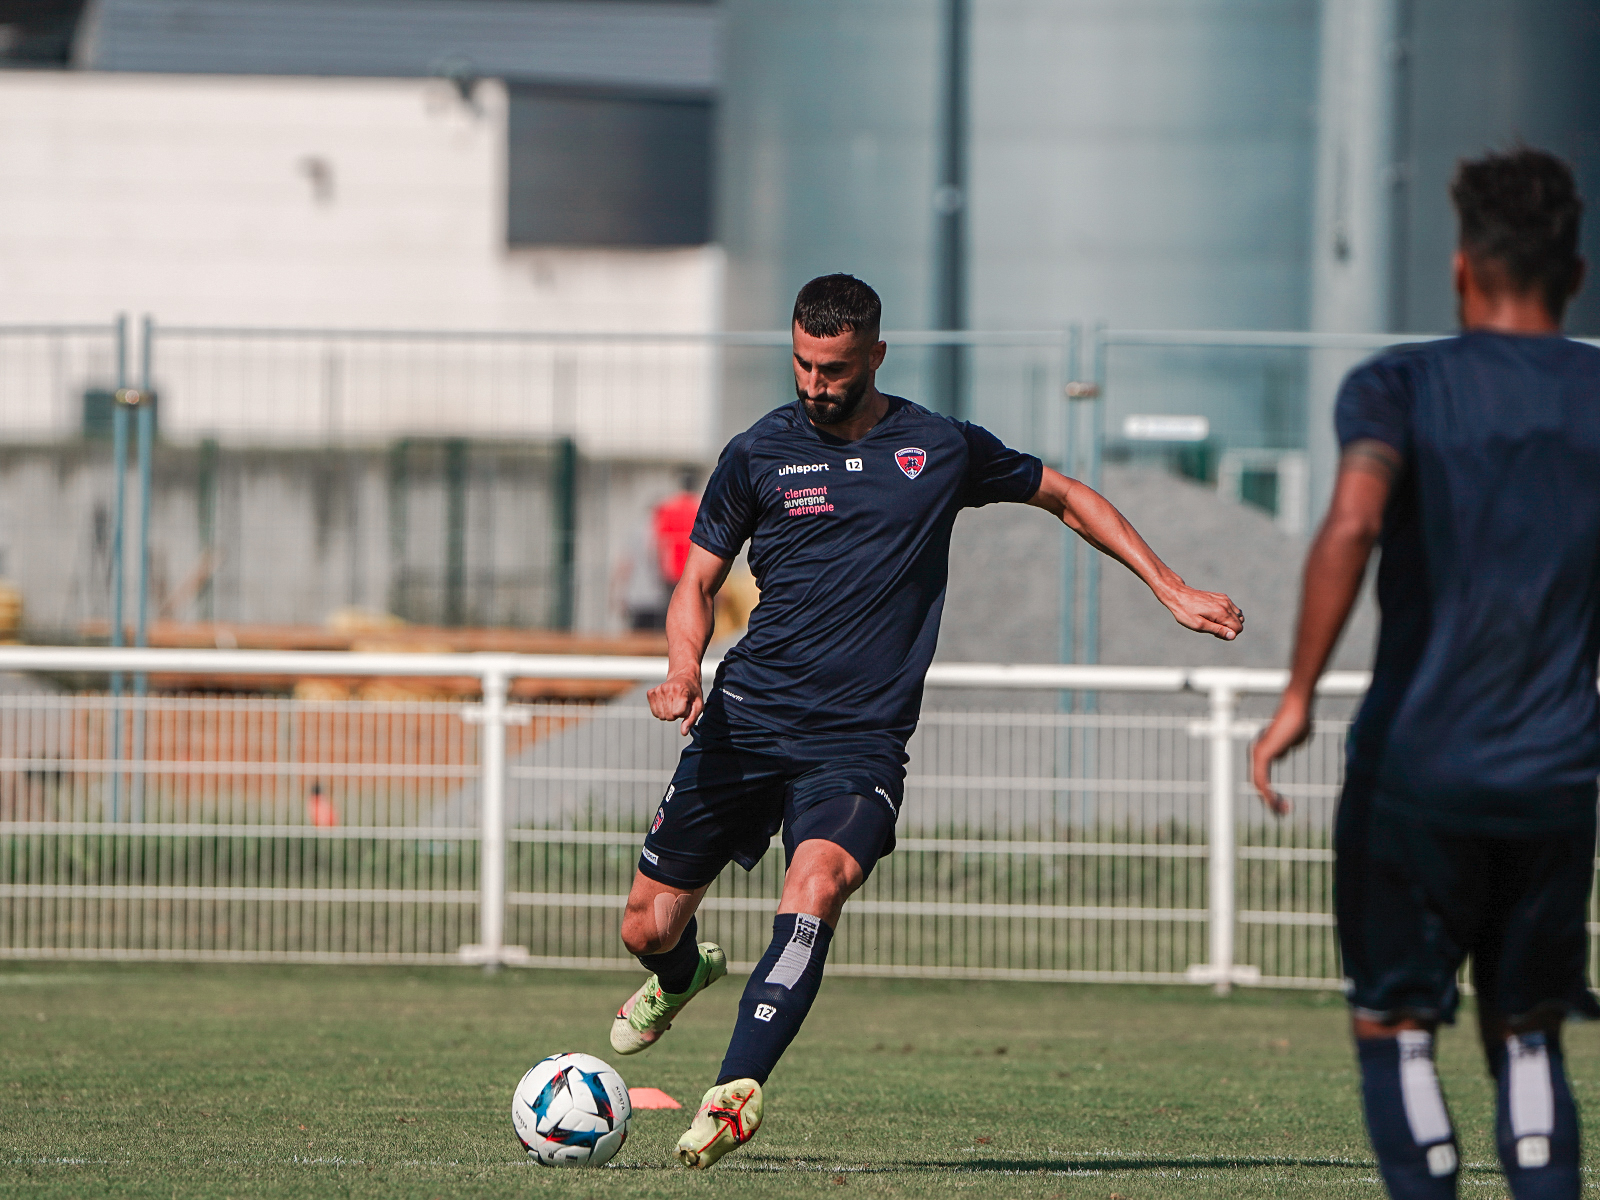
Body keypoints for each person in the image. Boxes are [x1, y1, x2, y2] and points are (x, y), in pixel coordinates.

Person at [613, 273, 1245, 1169]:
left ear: (875, 355)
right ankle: (682, 977)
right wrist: (683, 667)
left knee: (817, 887)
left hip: (856, 743)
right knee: (645, 929)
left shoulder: (937, 447)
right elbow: (696, 583)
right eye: (801, 363)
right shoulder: (758, 453)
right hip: (744, 722)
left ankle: (736, 1088)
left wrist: (1170, 587)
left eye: (833, 368)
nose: (814, 384)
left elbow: (1064, 495)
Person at [1252, 148, 1596, 1200]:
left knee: (1398, 1028)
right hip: (1554, 780)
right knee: (1530, 1035)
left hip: (1414, 773)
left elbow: (1353, 520)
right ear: (1573, 275)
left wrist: (1297, 696)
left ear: (1459, 271)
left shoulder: (1401, 383)